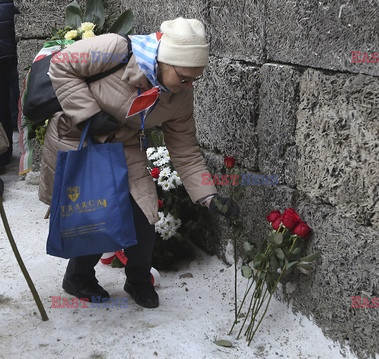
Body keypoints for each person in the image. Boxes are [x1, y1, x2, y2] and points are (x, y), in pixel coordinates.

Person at [39, 17, 239, 308]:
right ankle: (78, 277)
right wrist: (89, 115)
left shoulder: (180, 95)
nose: (189, 86)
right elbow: (61, 64)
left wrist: (209, 196)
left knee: (144, 217)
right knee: (94, 214)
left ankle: (138, 279)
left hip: (123, 146)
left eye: (196, 78)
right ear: (164, 62)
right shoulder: (116, 50)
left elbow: (185, 148)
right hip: (80, 137)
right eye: (184, 78)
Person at [0, 0, 18, 173]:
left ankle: (30, 155)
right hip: (12, 52)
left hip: (16, 53)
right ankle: (4, 155)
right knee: (2, 110)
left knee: (26, 104)